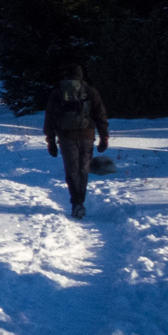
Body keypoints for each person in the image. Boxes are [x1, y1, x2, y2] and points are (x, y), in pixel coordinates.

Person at [43, 63, 108, 219]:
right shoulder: (90, 92)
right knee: (83, 169)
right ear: (81, 75)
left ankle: (76, 203)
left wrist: (51, 140)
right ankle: (80, 201)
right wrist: (104, 136)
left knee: (71, 169)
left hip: (66, 137)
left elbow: (50, 118)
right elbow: (100, 115)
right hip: (87, 135)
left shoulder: (58, 92)